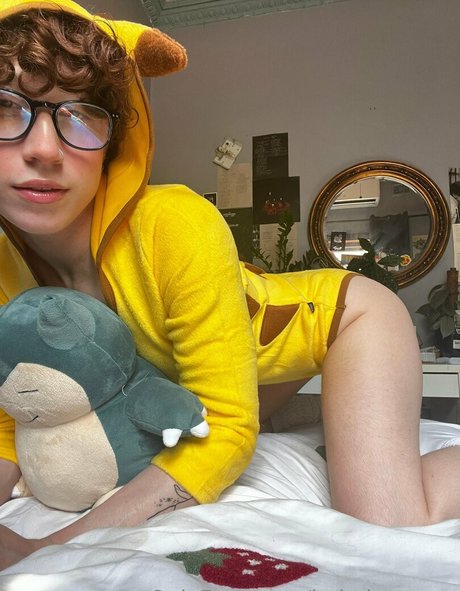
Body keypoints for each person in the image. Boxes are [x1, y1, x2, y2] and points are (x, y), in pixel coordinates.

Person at [0, 0, 459, 571]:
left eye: (80, 113)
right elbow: (13, 411)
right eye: (5, 106)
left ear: (115, 141)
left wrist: (47, 547)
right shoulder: (4, 264)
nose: (44, 149)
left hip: (345, 320)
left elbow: (226, 429)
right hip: (251, 361)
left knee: (386, 522)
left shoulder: (174, 223)